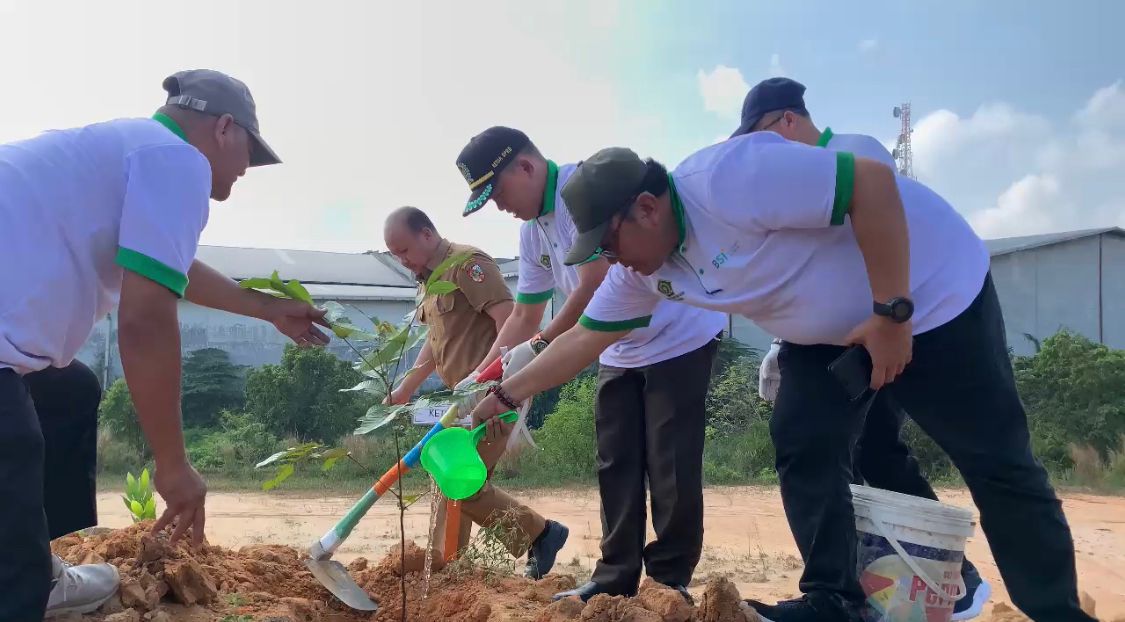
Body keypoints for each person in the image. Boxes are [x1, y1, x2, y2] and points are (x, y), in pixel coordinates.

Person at [467, 138, 1094, 622]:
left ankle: (1054, 610)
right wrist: (503, 395)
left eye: (609, 244)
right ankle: (833, 599)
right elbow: (584, 339)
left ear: (648, 207)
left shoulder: (728, 181)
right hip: (824, 339)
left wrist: (892, 313)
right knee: (803, 441)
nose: (609, 263)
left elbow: (870, 183)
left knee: (997, 465)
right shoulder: (638, 269)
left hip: (931, 297)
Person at [0, 70, 329, 619]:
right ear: (224, 128)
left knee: (69, 393)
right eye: (250, 150)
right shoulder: (179, 161)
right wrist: (173, 465)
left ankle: (40, 570)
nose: (247, 170)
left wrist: (266, 308)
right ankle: (21, 586)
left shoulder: (130, 150)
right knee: (11, 445)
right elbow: (146, 321)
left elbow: (168, 266)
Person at [733, 77, 990, 620]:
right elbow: (810, 274)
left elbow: (848, 255)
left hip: (877, 331)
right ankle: (918, 577)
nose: (763, 156)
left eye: (761, 138)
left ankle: (894, 583)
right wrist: (784, 343)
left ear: (786, 122)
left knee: (834, 446)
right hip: (841, 339)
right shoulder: (804, 181)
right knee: (857, 449)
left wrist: (889, 318)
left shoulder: (854, 152)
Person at [455, 127, 726, 603]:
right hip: (613, 348)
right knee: (615, 460)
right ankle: (614, 575)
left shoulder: (587, 192)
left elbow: (594, 283)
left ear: (525, 167)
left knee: (670, 462)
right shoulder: (531, 231)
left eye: (496, 191)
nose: (498, 205)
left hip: (675, 336)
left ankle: (668, 580)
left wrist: (540, 346)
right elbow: (524, 311)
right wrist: (484, 373)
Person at [382, 206, 569, 578]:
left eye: (404, 250)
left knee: (458, 478)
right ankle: (452, 563)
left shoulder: (469, 264)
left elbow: (510, 318)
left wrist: (483, 380)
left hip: (493, 390)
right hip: (461, 396)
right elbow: (435, 344)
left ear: (427, 234)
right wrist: (407, 387)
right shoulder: (429, 280)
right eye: (394, 254)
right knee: (452, 476)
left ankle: (537, 534)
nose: (402, 261)